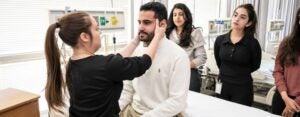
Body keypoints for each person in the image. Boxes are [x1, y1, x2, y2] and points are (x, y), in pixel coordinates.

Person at [44, 11, 166, 117]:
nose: (100, 33)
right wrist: (157, 37)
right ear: (85, 36)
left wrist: (135, 41)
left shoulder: (72, 64)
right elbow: (143, 63)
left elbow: (115, 60)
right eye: (97, 29)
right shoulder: (106, 65)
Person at [119, 2, 190, 117]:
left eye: (146, 23)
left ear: (162, 25)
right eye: (139, 22)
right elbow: (127, 89)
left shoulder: (178, 56)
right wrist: (115, 109)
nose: (140, 27)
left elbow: (177, 101)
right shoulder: (135, 51)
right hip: (133, 111)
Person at [213, 4, 261, 106]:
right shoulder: (220, 40)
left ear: (248, 23)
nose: (237, 19)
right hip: (222, 85)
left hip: (242, 88)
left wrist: (239, 73)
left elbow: (255, 65)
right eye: (235, 15)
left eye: (242, 17)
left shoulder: (253, 43)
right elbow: (219, 61)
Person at [166, 3, 207, 93]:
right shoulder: (168, 32)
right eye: (174, 15)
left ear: (187, 16)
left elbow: (202, 57)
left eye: (181, 14)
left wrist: (184, 65)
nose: (177, 17)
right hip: (171, 73)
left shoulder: (195, 32)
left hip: (189, 72)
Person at [272, 8, 300, 117]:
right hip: (281, 98)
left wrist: (295, 104)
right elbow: (277, 71)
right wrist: (285, 98)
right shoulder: (287, 42)